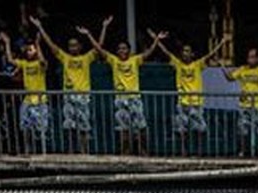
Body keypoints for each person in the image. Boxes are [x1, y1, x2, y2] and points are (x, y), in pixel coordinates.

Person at [82, 21, 163, 155]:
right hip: (120, 100)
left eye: (124, 48)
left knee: (141, 129)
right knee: (123, 131)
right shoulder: (114, 60)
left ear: (129, 50)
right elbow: (99, 49)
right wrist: (92, 33)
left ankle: (144, 153)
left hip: (135, 99)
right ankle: (125, 154)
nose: (122, 51)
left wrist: (156, 39)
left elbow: (149, 52)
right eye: (119, 48)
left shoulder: (135, 60)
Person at [32, 16, 104, 153]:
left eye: (75, 45)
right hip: (68, 96)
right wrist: (40, 28)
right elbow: (51, 45)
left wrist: (90, 34)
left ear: (80, 47)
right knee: (70, 127)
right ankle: (71, 152)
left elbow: (99, 46)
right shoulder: (65, 57)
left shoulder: (86, 58)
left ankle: (84, 153)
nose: (73, 47)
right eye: (70, 45)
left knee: (84, 127)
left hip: (83, 97)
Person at [151, 31, 228, 155]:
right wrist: (157, 40)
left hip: (196, 103)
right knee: (181, 130)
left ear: (192, 54)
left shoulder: (198, 64)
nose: (185, 53)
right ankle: (184, 152)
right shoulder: (178, 64)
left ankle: (197, 151)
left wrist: (221, 43)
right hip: (182, 102)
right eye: (183, 51)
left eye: (188, 51)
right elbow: (166, 53)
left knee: (200, 129)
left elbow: (210, 55)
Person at [0, 32, 50, 150]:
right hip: (27, 100)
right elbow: (10, 59)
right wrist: (7, 43)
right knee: (25, 128)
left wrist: (38, 44)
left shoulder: (40, 64)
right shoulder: (24, 64)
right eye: (28, 50)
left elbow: (43, 61)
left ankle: (43, 152)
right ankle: (28, 150)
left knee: (41, 129)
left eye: (32, 50)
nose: (29, 52)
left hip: (40, 100)